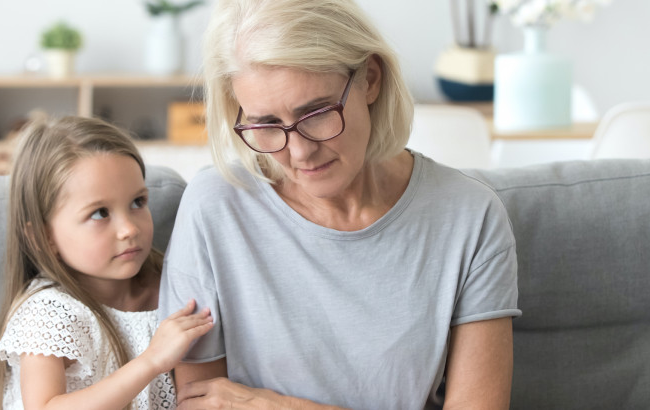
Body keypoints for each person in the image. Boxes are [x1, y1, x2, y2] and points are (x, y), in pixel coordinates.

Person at [157, 0, 521, 409]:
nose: (299, 153)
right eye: (266, 124)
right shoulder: (215, 208)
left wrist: (276, 406)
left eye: (315, 113)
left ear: (370, 78)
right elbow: (199, 403)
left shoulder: (469, 217)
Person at [0, 116, 214, 410]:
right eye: (99, 213)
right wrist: (151, 361)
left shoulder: (172, 287)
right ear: (45, 237)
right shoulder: (50, 312)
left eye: (137, 203)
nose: (129, 229)